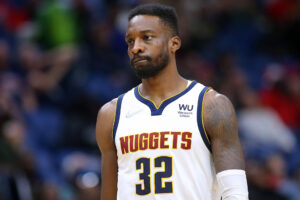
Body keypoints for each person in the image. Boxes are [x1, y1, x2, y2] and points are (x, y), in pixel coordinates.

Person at [96, 3, 248, 200]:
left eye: (147, 38)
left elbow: (234, 193)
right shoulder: (111, 114)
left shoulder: (210, 105)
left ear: (174, 43)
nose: (136, 48)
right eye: (130, 41)